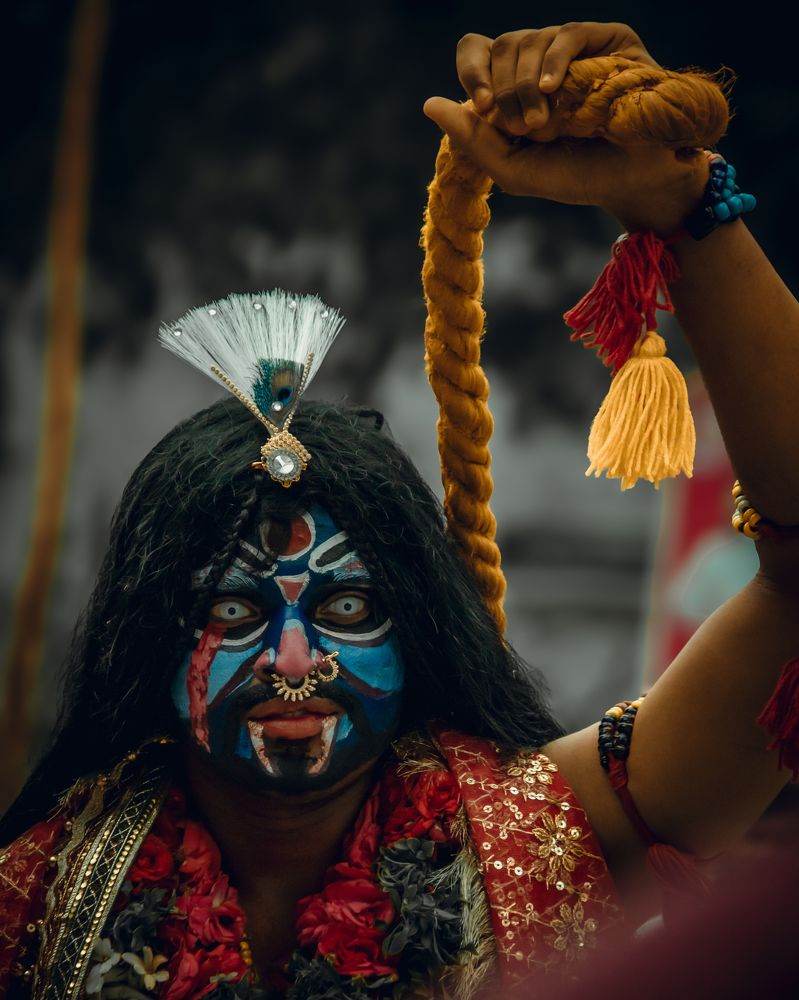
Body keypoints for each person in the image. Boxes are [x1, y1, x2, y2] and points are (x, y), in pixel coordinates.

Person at [1, 19, 798, 999]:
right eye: (238, 613)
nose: (296, 665)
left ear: (415, 628)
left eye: (342, 611)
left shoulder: (560, 833)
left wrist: (682, 206)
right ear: (151, 638)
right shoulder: (27, 909)